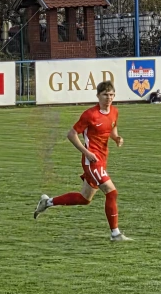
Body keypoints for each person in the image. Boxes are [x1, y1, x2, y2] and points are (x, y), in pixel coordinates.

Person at [33, 80, 131, 241]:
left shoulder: (114, 111)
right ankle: (115, 234)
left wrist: (117, 138)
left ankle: (47, 202)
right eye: (105, 94)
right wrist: (86, 152)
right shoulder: (89, 115)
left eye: (112, 94)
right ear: (98, 96)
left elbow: (112, 129)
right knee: (112, 192)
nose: (109, 98)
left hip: (102, 158)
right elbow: (71, 134)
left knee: (85, 199)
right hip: (92, 161)